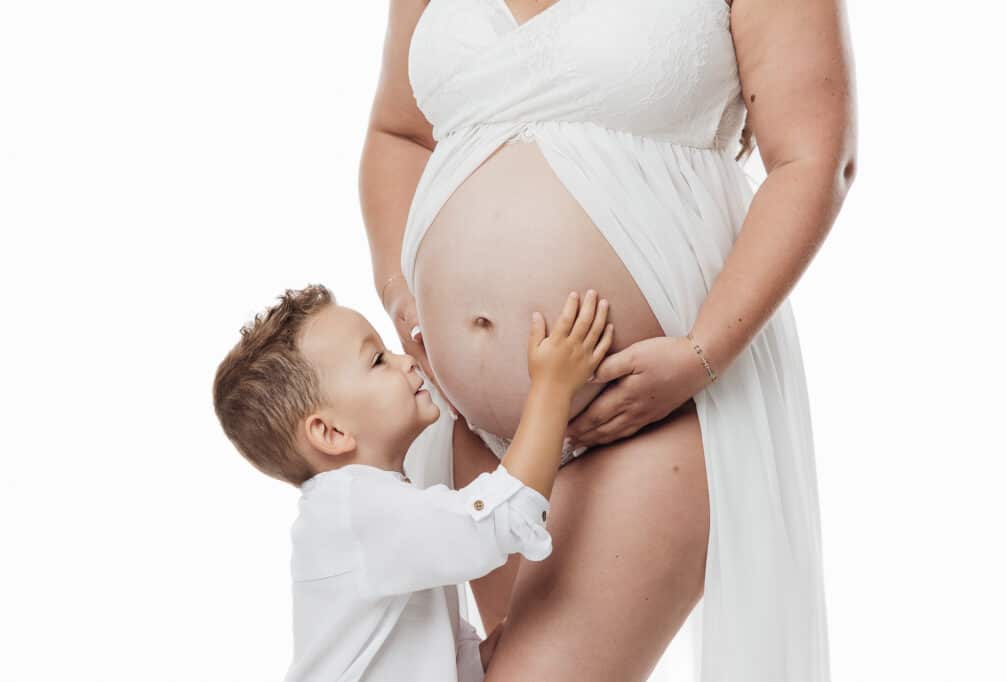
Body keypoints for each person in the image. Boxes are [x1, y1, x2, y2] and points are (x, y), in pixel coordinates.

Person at [359, 0, 857, 679]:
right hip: (471, 431)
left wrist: (700, 354)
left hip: (655, 404)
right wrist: (403, 296)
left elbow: (812, 155)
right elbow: (398, 132)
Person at [211, 283, 613, 681]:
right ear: (331, 433)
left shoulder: (377, 509)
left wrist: (495, 653)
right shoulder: (354, 510)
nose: (404, 360)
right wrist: (553, 387)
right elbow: (500, 519)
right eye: (378, 361)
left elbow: (433, 657)